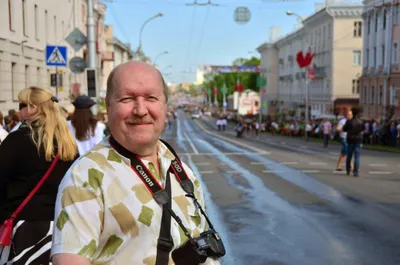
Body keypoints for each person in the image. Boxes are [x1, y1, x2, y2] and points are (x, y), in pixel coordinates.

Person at [51, 62, 223, 265]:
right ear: (109, 105)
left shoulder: (182, 171)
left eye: (151, 98)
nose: (140, 110)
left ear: (165, 106)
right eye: (127, 98)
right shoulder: (86, 176)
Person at [0, 87, 78, 265]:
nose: (19, 109)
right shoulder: (68, 144)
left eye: (22, 105)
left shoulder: (17, 140)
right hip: (61, 226)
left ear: (34, 108)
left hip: (23, 228)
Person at [343, 108, 364, 177]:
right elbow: (363, 129)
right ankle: (356, 172)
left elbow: (344, 129)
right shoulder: (361, 121)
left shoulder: (349, 121)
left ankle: (348, 170)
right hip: (358, 139)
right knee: (357, 156)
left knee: (349, 155)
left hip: (350, 139)